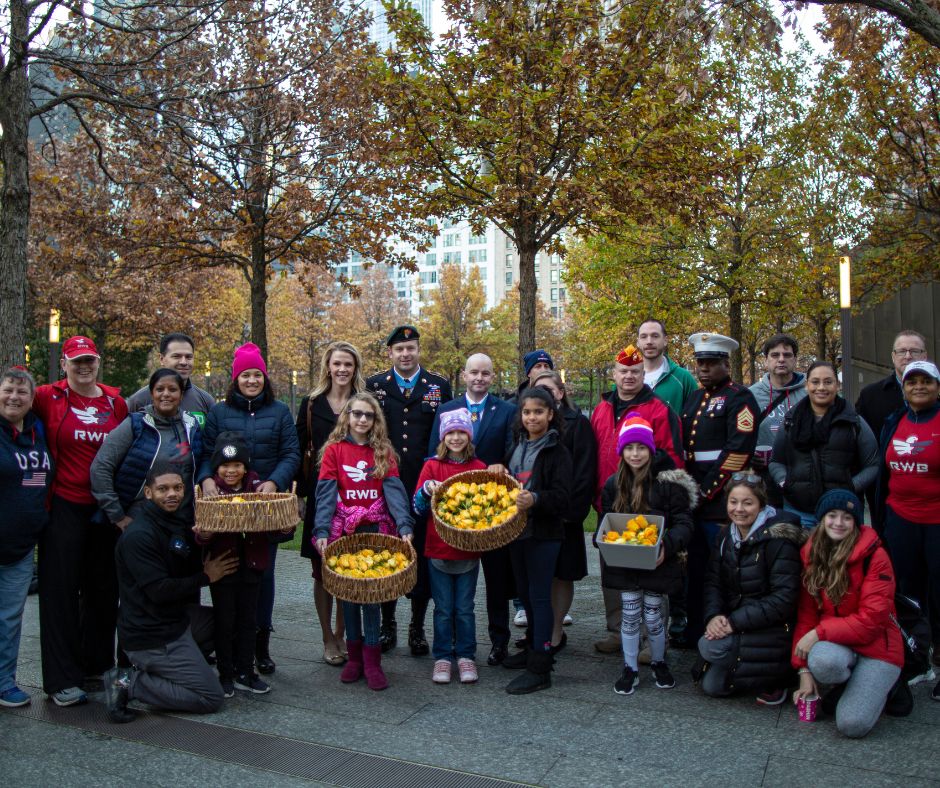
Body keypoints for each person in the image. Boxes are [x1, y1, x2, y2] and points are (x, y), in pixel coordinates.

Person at [32, 335, 128, 707]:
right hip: (64, 505)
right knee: (59, 592)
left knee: (103, 590)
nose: (84, 367)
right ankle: (61, 678)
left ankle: (95, 666)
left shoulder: (114, 403)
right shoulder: (46, 397)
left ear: (98, 363)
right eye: (77, 361)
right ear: (65, 365)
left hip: (105, 508)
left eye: (90, 360)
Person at [106, 464, 239, 723]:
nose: (172, 494)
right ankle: (126, 681)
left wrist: (204, 538)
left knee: (225, 621)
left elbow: (182, 564)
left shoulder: (172, 522)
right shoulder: (139, 535)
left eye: (177, 488)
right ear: (147, 493)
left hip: (174, 619)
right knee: (211, 697)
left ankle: (172, 669)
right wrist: (206, 577)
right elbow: (159, 590)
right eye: (163, 489)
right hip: (152, 634)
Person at [198, 342, 300, 676]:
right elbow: (203, 452)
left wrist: (274, 481)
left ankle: (260, 644)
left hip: (264, 504)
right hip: (227, 506)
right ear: (236, 379)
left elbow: (291, 453)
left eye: (257, 374)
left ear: (265, 378)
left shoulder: (281, 412)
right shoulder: (219, 412)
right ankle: (228, 648)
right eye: (246, 375)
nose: (252, 380)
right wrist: (208, 480)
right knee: (228, 570)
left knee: (263, 574)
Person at [314, 392, 415, 691]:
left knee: (371, 596)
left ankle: (372, 661)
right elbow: (325, 493)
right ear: (347, 416)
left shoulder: (383, 451)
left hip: (376, 528)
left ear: (375, 421)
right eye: (356, 413)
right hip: (344, 531)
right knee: (348, 595)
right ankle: (354, 657)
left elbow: (395, 493)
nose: (361, 419)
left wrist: (404, 524)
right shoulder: (334, 451)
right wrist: (321, 530)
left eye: (368, 415)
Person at [592, 344, 683, 654]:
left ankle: (652, 638)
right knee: (613, 569)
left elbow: (673, 457)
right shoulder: (601, 409)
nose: (629, 376)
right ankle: (618, 631)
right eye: (623, 371)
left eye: (635, 371)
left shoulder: (659, 409)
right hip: (613, 499)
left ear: (644, 374)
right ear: (613, 374)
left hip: (649, 502)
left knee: (651, 573)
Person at [791, 489, 904, 738]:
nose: (838, 523)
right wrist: (803, 670)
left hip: (879, 649)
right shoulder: (811, 553)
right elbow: (807, 613)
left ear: (856, 522)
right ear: (822, 519)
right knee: (822, 661)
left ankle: (884, 686)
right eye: (832, 515)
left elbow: (872, 621)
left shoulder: (875, 556)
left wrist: (817, 633)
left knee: (851, 725)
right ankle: (850, 683)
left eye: (847, 517)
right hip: (840, 645)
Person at [367, 325, 451, 655]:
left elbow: (444, 436)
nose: (405, 354)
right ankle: (388, 625)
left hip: (423, 484)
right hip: (385, 484)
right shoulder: (375, 386)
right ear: (390, 353)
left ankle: (417, 626)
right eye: (399, 349)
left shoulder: (438, 386)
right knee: (388, 552)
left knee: (422, 555)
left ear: (418, 351)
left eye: (411, 348)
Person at [598, 417, 695, 696]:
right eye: (630, 448)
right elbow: (606, 520)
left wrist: (666, 544)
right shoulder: (613, 485)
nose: (635, 454)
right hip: (625, 563)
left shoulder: (669, 485)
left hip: (657, 562)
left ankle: (659, 661)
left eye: (642, 447)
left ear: (651, 450)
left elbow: (685, 523)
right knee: (629, 616)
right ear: (621, 452)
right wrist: (601, 539)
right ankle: (630, 667)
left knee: (653, 617)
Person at [429, 353, 516, 666]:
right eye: (474, 373)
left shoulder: (507, 410)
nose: (479, 378)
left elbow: (512, 451)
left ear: (492, 377)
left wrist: (502, 465)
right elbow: (433, 457)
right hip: (455, 514)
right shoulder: (447, 409)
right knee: (452, 590)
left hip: (491, 512)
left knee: (496, 579)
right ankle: (451, 646)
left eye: (486, 373)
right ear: (464, 375)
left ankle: (498, 641)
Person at [195, 433, 293, 697]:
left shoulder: (257, 489)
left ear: (246, 467)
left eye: (237, 465)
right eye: (225, 466)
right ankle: (225, 672)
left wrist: (285, 529)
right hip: (223, 566)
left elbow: (274, 529)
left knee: (249, 620)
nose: (231, 471)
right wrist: (202, 534)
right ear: (217, 468)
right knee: (225, 620)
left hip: (252, 564)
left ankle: (245, 671)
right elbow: (202, 534)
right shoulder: (211, 493)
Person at [489, 387, 573, 694]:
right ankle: (532, 649)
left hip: (544, 534)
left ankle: (541, 667)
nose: (532, 417)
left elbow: (563, 498)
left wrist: (535, 499)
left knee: (539, 597)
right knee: (524, 594)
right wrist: (498, 467)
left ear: (551, 414)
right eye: (527, 412)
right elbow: (510, 480)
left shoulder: (557, 451)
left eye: (539, 411)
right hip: (517, 534)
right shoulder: (518, 446)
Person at [678, 332, 759, 649]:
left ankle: (724, 635)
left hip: (721, 502)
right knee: (695, 572)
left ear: (727, 364)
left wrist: (704, 490)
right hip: (693, 501)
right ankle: (695, 629)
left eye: (711, 363)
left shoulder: (741, 398)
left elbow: (738, 452)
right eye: (700, 362)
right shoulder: (695, 398)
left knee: (722, 573)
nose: (704, 368)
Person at [696, 473, 804, 704]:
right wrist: (714, 617)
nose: (739, 509)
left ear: (761, 504)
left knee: (710, 648)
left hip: (773, 627)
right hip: (739, 621)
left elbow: (784, 599)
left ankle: (780, 675)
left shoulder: (780, 540)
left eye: (748, 503)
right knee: (712, 686)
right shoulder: (725, 536)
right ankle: (756, 671)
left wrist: (732, 623)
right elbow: (713, 583)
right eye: (733, 502)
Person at [295, 341, 366, 666]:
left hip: (355, 500)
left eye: (348, 365)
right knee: (322, 572)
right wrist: (298, 496)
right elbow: (299, 451)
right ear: (328, 366)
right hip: (322, 498)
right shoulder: (311, 404)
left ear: (355, 368)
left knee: (348, 571)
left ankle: (343, 634)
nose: (342, 370)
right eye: (337, 364)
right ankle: (327, 636)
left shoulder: (363, 404)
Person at [876, 360, 940, 675]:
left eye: (926, 381)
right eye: (912, 382)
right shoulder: (895, 421)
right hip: (900, 518)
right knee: (906, 590)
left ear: (937, 387)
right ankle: (915, 656)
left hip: (936, 520)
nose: (918, 387)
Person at [413, 409, 486, 684]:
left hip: (468, 550)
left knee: (464, 607)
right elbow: (418, 507)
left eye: (461, 432)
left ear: (469, 436)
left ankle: (466, 654)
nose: (456, 438)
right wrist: (426, 490)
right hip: (438, 548)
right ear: (443, 437)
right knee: (443, 608)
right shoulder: (432, 467)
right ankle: (443, 656)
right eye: (451, 433)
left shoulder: (478, 468)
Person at [769, 361, 879, 529]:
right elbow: (776, 461)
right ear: (807, 385)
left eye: (828, 381)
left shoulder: (854, 422)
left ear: (837, 385)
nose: (821, 387)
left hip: (842, 514)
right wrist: (785, 481)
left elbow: (873, 464)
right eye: (815, 382)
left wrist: (850, 486)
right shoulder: (791, 421)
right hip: (799, 512)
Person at [91, 369, 202, 530]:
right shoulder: (135, 425)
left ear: (182, 395)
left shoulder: (192, 426)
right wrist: (117, 515)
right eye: (159, 389)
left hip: (183, 521)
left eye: (172, 389)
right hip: (140, 521)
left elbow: (201, 464)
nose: (166, 394)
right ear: (151, 394)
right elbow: (101, 467)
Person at [0, 368, 52, 708]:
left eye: (22, 392)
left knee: (10, 618)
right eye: (8, 390)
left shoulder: (37, 432)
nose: (14, 397)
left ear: (32, 399)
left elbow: (35, 480)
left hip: (20, 548)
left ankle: (5, 682)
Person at [534, 370, 596, 651]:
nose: (545, 395)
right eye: (538, 390)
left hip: (564, 515)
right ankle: (539, 631)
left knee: (561, 574)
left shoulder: (578, 424)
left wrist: (572, 512)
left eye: (549, 390)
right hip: (534, 513)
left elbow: (584, 472)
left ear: (560, 393)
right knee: (538, 575)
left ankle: (556, 631)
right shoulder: (529, 424)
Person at [856, 330, 928, 526]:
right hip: (886, 490)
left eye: (914, 350)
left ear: (925, 355)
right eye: (902, 351)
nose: (908, 356)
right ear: (893, 356)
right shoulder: (871, 396)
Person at [749, 334, 806, 506]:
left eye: (787, 355)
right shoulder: (750, 395)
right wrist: (748, 454)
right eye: (775, 355)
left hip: (800, 474)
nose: (781, 359)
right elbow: (740, 433)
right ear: (766, 360)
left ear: (795, 359)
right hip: (763, 478)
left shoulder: (809, 392)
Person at [126, 333, 215, 426]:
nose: (184, 362)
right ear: (161, 359)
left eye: (188, 357)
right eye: (176, 356)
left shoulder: (206, 401)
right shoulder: (138, 401)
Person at [636, 319, 698, 415]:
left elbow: (696, 420)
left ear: (665, 340)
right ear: (638, 342)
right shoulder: (627, 379)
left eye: (655, 336)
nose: (649, 341)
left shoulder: (683, 378)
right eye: (644, 337)